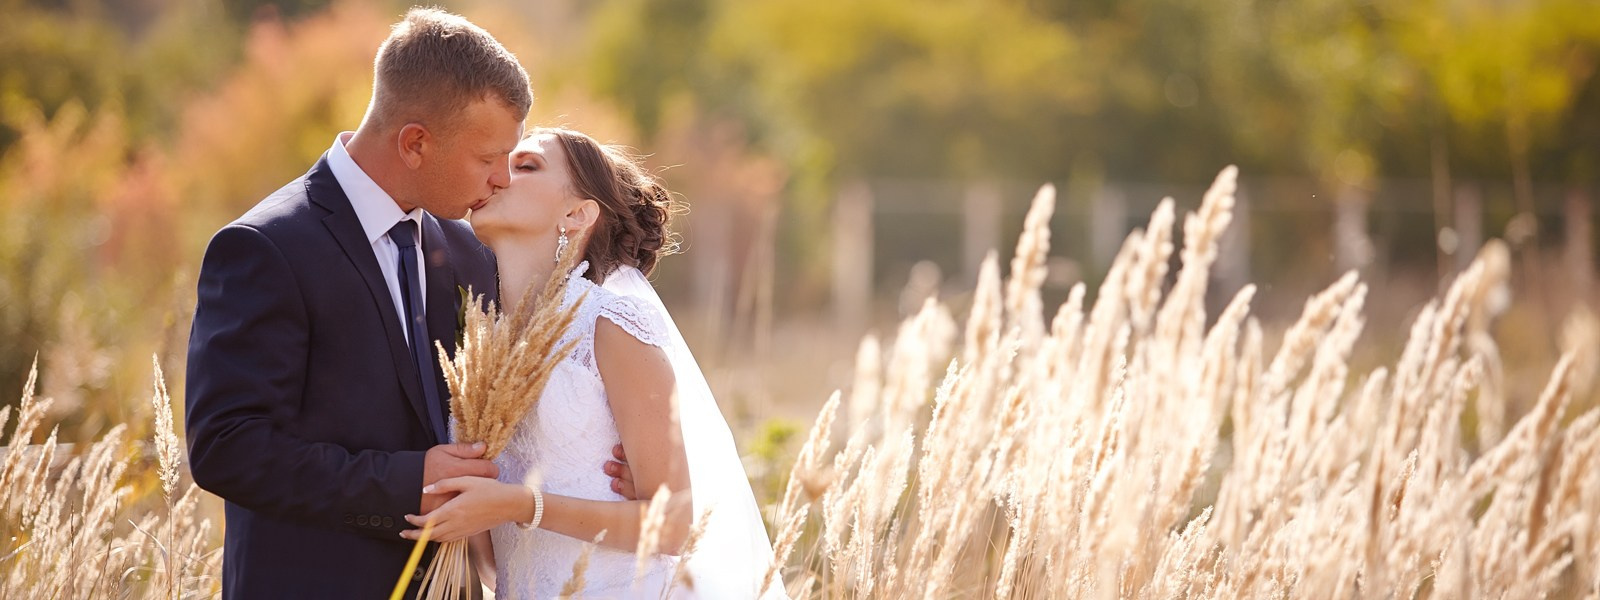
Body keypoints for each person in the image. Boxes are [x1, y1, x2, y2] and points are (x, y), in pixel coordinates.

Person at [184, 9, 618, 598]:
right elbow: (226, 448)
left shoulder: (469, 255)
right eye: (488, 158)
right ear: (415, 142)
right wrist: (401, 483)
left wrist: (599, 454)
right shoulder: (266, 249)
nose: (501, 180)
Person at [401, 128, 778, 598]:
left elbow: (673, 525)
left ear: (577, 214)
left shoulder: (611, 325)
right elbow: (495, 557)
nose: (498, 176)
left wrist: (519, 505)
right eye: (498, 161)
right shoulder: (482, 342)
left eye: (526, 165)